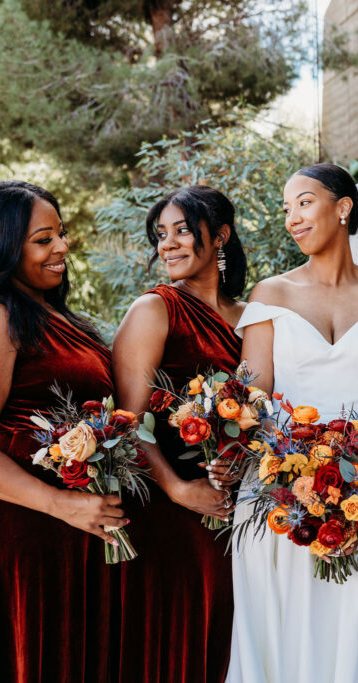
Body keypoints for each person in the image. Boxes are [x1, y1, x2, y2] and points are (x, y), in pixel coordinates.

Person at [227, 164, 358, 683]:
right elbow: (253, 397)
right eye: (287, 209)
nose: (292, 218)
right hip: (281, 490)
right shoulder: (270, 294)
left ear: (343, 208)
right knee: (292, 629)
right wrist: (294, 473)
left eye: (304, 202)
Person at [0, 181, 125, 682]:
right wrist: (62, 504)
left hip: (76, 525)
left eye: (60, 233)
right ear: (3, 247)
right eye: (43, 240)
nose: (62, 247)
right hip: (28, 526)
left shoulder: (53, 315)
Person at [112, 185, 245, 682]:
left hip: (239, 504)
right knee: (178, 633)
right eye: (161, 234)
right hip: (167, 506)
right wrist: (177, 489)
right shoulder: (154, 310)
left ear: (221, 236)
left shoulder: (251, 316)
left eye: (182, 231)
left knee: (231, 632)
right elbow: (125, 421)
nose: (167, 244)